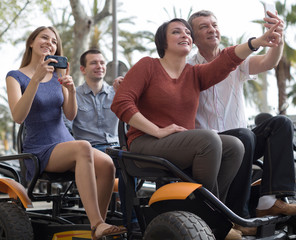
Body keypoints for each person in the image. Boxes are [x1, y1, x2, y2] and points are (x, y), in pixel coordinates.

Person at [111, 18, 281, 239]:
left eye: (187, 32)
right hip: (145, 143)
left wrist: (255, 42)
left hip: (178, 143)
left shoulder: (194, 73)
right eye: (176, 32)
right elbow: (121, 103)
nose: (185, 35)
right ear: (163, 41)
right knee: (209, 140)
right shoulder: (147, 65)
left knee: (234, 145)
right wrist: (157, 130)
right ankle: (215, 221)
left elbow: (226, 60)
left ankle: (206, 213)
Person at [187, 10, 296, 234]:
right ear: (192, 37)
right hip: (210, 148)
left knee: (281, 123)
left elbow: (268, 62)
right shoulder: (188, 67)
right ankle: (238, 215)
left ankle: (268, 200)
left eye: (214, 24)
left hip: (245, 141)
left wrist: (277, 39)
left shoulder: (235, 59)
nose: (212, 29)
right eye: (204, 26)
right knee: (243, 136)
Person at [5, 26, 126, 240]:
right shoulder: (15, 77)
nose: (49, 43)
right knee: (83, 147)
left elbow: (70, 115)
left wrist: (70, 90)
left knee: (107, 164)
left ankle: (98, 224)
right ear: (31, 42)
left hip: (66, 144)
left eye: (53, 41)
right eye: (44, 38)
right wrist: (35, 79)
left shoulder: (56, 75)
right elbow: (18, 116)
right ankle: (97, 223)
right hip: (40, 149)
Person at [70, 48, 138, 229]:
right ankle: (127, 223)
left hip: (116, 148)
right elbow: (66, 128)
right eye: (93, 63)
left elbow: (134, 118)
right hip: (90, 151)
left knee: (133, 163)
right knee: (122, 163)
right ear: (83, 69)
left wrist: (127, 89)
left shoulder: (117, 93)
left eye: (102, 63)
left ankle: (131, 222)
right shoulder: (73, 95)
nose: (99, 66)